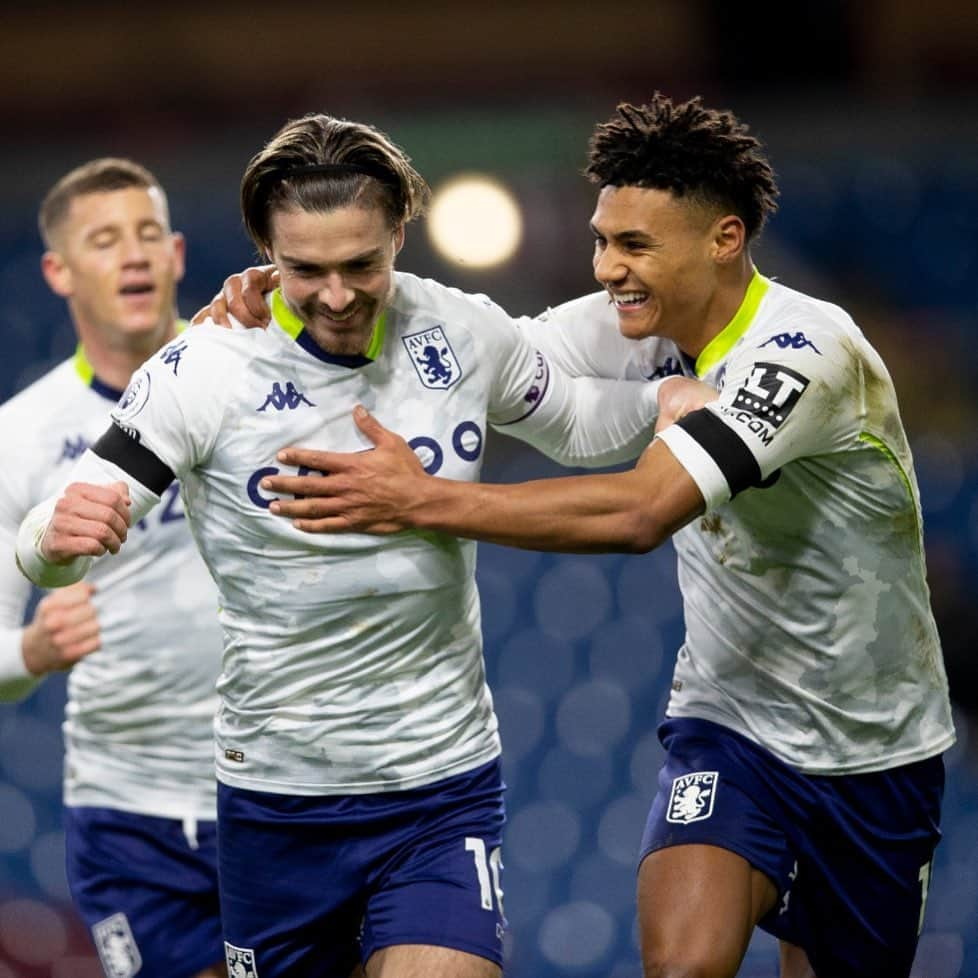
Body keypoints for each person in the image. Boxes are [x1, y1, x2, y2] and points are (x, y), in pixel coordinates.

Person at [231, 94, 956, 978]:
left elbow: (641, 513)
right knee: (684, 967)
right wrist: (269, 327)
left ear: (723, 241)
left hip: (876, 750)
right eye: (603, 241)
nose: (608, 269)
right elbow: (455, 362)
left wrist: (421, 501)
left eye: (635, 246)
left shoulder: (805, 351)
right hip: (731, 725)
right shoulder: (630, 326)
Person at [13, 113, 671, 978]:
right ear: (265, 254)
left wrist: (671, 404)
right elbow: (62, 527)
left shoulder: (457, 330)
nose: (335, 294)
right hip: (278, 800)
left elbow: (577, 426)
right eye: (305, 270)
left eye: (362, 264)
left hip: (440, 785)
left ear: (400, 232)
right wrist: (51, 543)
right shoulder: (205, 368)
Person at [0, 160, 226, 977]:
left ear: (173, 254)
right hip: (130, 810)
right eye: (103, 241)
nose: (131, 256)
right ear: (59, 271)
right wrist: (33, 651)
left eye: (144, 236)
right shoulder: (21, 437)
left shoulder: (257, 386)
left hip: (287, 780)